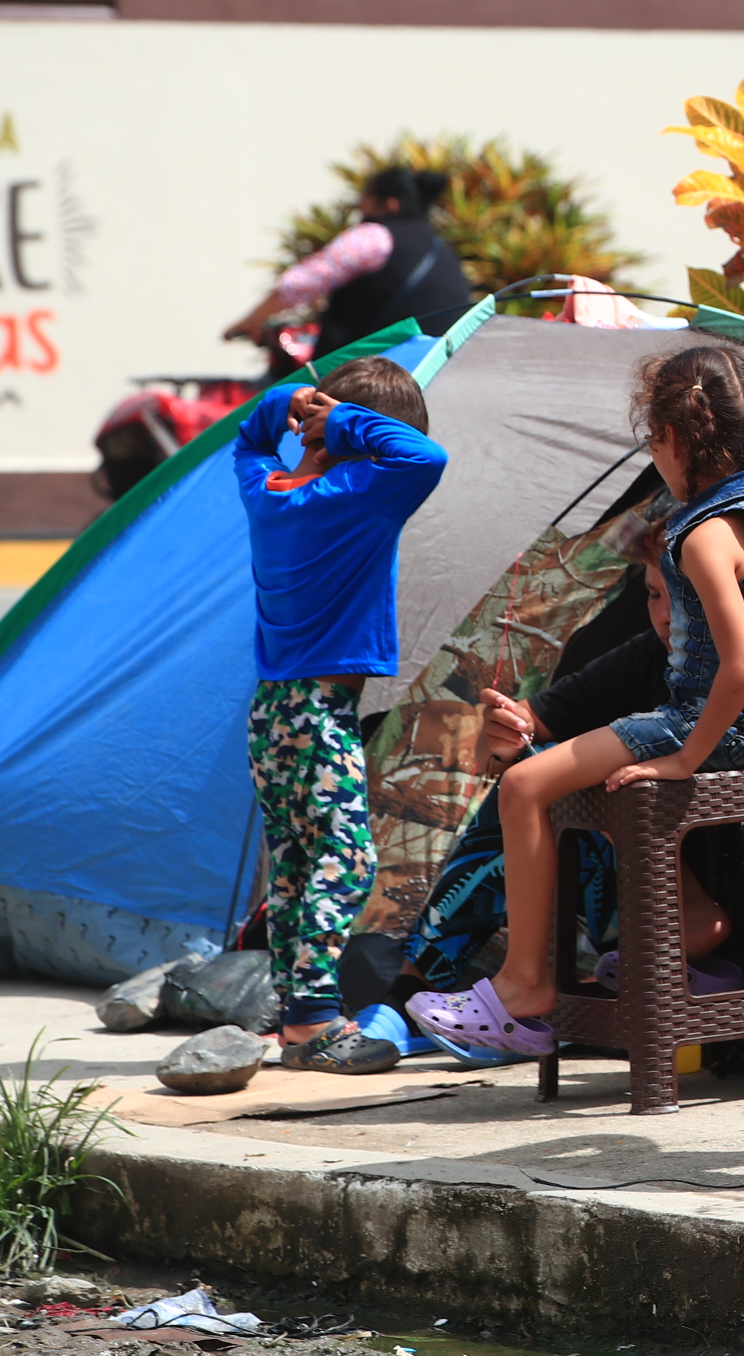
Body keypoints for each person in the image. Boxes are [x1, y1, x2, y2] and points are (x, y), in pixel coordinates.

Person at [407, 344, 744, 1056]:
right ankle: (695, 927)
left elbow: (740, 665)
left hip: (716, 724)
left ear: (674, 438)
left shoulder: (704, 536)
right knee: (603, 779)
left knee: (525, 786)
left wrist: (686, 756)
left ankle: (524, 987)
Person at [232, 355, 449, 1072]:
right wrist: (344, 422)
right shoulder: (360, 492)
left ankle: (299, 1019)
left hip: (271, 714)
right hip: (321, 712)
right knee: (349, 862)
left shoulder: (270, 488)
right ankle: (319, 1016)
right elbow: (425, 455)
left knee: (294, 865)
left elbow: (246, 442)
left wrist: (283, 407)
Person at [226, 167, 474, 363]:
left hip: (371, 375)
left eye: (365, 196)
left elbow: (300, 284)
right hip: (431, 367)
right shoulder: (442, 249)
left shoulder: (374, 237)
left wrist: (250, 321)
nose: (359, 204)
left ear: (389, 204)